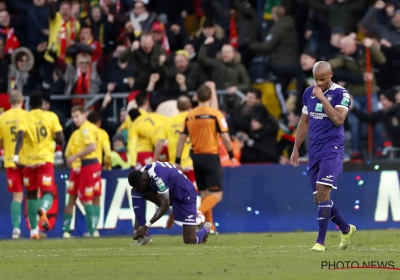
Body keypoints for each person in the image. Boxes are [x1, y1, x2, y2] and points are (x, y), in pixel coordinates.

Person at [290, 61, 356, 252]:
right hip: (314, 150)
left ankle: (320, 242)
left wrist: (322, 98)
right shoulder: (307, 93)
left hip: (332, 148)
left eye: (322, 79)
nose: (318, 83)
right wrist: (296, 149)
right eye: (316, 79)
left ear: (331, 75)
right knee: (319, 199)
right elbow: (304, 122)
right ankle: (346, 229)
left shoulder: (341, 94)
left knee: (323, 191)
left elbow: (338, 119)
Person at [175, 83, 236, 236]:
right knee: (217, 195)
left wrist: (177, 160)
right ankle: (196, 213)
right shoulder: (215, 114)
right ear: (210, 97)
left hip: (196, 157)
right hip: (211, 156)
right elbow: (226, 137)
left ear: (196, 97)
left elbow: (182, 138)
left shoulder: (190, 115)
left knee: (205, 194)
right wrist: (231, 155)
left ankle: (211, 227)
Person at [13, 91, 64, 240]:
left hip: (29, 162)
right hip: (45, 160)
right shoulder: (51, 116)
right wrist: (53, 137)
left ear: (29, 104)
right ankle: (43, 209)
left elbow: (20, 136)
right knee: (48, 192)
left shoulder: (25, 117)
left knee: (31, 195)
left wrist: (16, 157)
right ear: (42, 104)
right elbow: (60, 137)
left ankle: (33, 231)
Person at [128, 161, 211, 244]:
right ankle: (144, 235)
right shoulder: (143, 173)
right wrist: (138, 228)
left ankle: (205, 228)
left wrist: (146, 226)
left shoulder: (158, 178)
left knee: (190, 240)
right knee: (136, 192)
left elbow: (165, 205)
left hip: (185, 195)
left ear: (144, 180)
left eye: (141, 187)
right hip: (170, 193)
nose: (141, 189)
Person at [65, 105, 101, 237]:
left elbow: (92, 146)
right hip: (95, 164)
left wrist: (75, 156)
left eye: (77, 116)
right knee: (95, 196)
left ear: (84, 114)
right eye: (73, 117)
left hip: (87, 165)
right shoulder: (94, 128)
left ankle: (93, 231)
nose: (75, 120)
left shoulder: (85, 129)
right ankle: (94, 229)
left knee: (86, 199)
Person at [0, 90, 27, 238]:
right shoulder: (27, 116)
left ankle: (16, 229)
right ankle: (34, 228)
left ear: (9, 102)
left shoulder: (2, 118)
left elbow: (0, 142)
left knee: (17, 197)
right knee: (33, 194)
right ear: (22, 100)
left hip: (10, 161)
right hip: (28, 160)